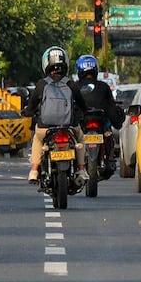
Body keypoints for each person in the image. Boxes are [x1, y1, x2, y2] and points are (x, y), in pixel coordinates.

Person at [25, 46, 88, 185]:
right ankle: (82, 169)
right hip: (69, 126)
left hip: (45, 127)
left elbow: (32, 105)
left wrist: (28, 112)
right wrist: (84, 112)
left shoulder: (42, 84)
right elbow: (82, 104)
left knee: (37, 139)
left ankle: (34, 170)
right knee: (80, 139)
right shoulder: (71, 84)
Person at [70, 54, 125, 172]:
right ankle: (110, 157)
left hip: (84, 122)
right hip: (96, 122)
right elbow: (111, 105)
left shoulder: (74, 87)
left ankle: (109, 156)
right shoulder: (103, 86)